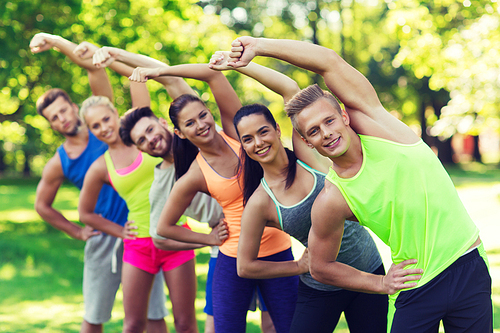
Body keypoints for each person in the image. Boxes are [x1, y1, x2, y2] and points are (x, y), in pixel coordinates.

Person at [228, 37, 492, 332]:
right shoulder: (332, 198)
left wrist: (259, 47)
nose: (325, 133)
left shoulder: (379, 125)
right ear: (305, 141)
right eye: (314, 131)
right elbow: (320, 266)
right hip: (416, 285)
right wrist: (378, 282)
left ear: (344, 116)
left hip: (468, 264)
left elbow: (329, 61)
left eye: (329, 121)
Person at [91, 46, 278, 333]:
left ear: (165, 125)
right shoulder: (167, 180)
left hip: (272, 235)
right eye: (143, 140)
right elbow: (160, 234)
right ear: (140, 149)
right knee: (217, 327)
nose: (151, 140)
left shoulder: (202, 137)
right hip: (228, 245)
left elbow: (169, 79)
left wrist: (115, 54)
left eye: (151, 130)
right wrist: (207, 239)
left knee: (275, 322)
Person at [208, 52, 389, 332]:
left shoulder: (306, 154)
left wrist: (242, 64)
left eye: (263, 131)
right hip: (319, 287)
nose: (258, 142)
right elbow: (245, 266)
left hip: (367, 271)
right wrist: (297, 267)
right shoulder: (260, 202)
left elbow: (290, 89)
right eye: (248, 139)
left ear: (277, 129)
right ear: (242, 146)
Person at [130, 62, 298, 333]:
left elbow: (212, 74)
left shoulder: (235, 134)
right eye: (190, 123)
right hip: (232, 259)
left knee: (290, 329)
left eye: (203, 115)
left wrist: (159, 72)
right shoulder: (195, 174)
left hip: (278, 251)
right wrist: (208, 239)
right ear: (179, 133)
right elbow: (163, 228)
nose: (201, 124)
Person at [30, 33, 169, 333]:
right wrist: (77, 231)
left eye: (64, 110)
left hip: (141, 228)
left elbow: (95, 67)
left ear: (72, 105)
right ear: (51, 124)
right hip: (103, 238)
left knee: (153, 314)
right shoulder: (60, 161)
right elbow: (41, 205)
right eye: (54, 118)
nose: (62, 119)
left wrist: (56, 41)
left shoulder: (104, 128)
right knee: (94, 316)